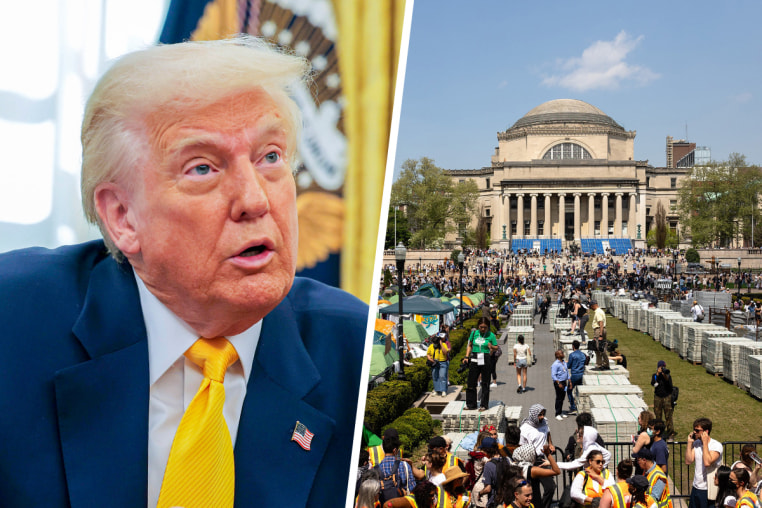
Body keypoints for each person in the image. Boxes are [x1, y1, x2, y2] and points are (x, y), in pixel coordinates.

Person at [0, 37, 368, 508]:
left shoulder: (351, 351)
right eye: (202, 168)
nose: (256, 200)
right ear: (123, 217)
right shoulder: (12, 326)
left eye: (270, 157)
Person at [685, 417, 723, 508]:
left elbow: (707, 462)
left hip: (708, 488)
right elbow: (688, 461)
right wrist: (689, 443)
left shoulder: (716, 445)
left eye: (697, 430)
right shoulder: (697, 443)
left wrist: (705, 443)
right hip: (696, 486)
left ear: (706, 432)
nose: (694, 432)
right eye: (694, 429)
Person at [463, 317, 498, 411]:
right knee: (471, 382)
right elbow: (469, 345)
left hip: (485, 357)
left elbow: (496, 347)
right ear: (478, 326)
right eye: (481, 327)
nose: (483, 329)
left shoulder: (491, 335)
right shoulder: (474, 333)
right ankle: (471, 404)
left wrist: (492, 346)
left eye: (485, 327)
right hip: (475, 356)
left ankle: (484, 405)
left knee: (485, 382)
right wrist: (466, 357)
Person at [651, 361, 675, 440]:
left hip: (667, 397)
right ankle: (659, 432)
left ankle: (670, 433)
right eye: (661, 367)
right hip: (658, 397)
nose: (662, 368)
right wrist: (657, 374)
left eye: (663, 367)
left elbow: (670, 385)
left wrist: (665, 376)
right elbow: (653, 383)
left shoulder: (668, 375)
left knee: (668, 416)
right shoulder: (655, 375)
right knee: (658, 416)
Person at [567, 339, 587, 413]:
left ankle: (573, 407)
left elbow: (569, 366)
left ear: (573, 346)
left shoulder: (572, 355)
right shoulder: (583, 355)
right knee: (579, 391)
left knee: (569, 391)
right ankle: (580, 405)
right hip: (581, 374)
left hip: (574, 375)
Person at [551, 350, 571, 420]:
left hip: (564, 382)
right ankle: (557, 413)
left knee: (562, 398)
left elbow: (567, 372)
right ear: (557, 355)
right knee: (559, 398)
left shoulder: (563, 363)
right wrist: (558, 383)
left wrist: (569, 380)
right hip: (559, 383)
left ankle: (560, 411)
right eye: (561, 353)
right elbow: (553, 375)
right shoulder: (555, 364)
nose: (563, 354)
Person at [591, 300, 610, 370]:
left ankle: (600, 364)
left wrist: (600, 335)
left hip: (599, 330)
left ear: (593, 305)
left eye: (591, 307)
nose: (591, 309)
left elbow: (600, 323)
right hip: (601, 330)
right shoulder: (600, 311)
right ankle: (606, 363)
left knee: (598, 348)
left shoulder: (598, 312)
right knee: (602, 348)